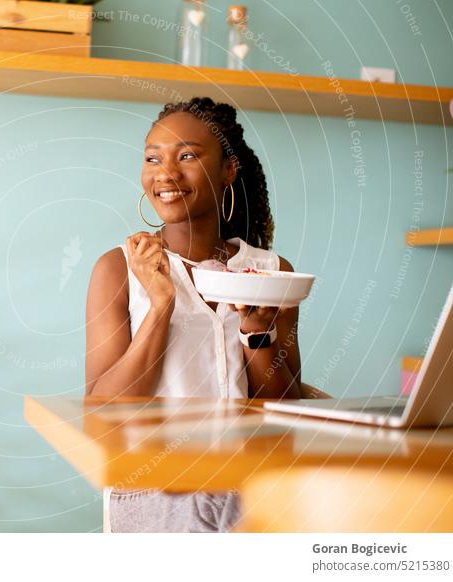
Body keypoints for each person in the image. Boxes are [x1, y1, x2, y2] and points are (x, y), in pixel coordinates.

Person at [84, 97, 302, 533]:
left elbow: (284, 409)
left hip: (245, 477)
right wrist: (160, 305)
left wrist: (257, 331)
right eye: (152, 158)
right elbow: (102, 414)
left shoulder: (272, 272)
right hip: (151, 485)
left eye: (186, 155)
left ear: (228, 170)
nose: (165, 172)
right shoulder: (118, 269)